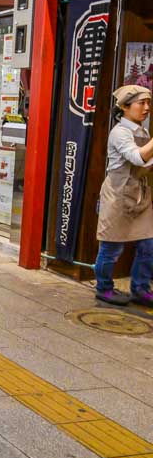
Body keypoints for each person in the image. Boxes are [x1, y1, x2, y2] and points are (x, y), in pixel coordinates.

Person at [95, 84, 153, 308]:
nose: (147, 108)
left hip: (140, 195)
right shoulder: (119, 132)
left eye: (149, 103)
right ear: (125, 107)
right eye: (142, 103)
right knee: (111, 248)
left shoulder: (142, 131)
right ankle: (103, 289)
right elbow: (137, 158)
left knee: (148, 244)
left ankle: (140, 288)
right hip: (118, 196)